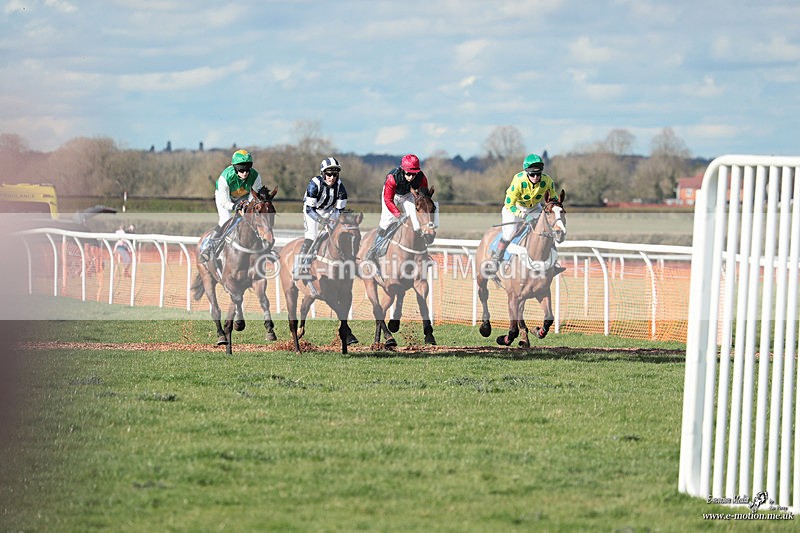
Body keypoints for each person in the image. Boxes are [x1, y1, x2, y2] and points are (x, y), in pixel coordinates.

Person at [487, 153, 566, 276]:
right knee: (509, 232)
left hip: (534, 208)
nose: (535, 177)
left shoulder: (547, 180)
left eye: (538, 174)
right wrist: (523, 215)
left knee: (548, 228)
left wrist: (555, 207)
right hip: (514, 208)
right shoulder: (518, 180)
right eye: (532, 174)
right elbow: (509, 204)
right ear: (527, 173)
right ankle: (496, 260)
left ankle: (554, 263)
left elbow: (553, 199)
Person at [364, 153, 439, 263]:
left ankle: (423, 253)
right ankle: (373, 250)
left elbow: (424, 199)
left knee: (416, 223)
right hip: (391, 197)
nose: (411, 177)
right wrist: (398, 215)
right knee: (386, 222)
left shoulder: (422, 178)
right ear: (403, 170)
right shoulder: (392, 178)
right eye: (408, 174)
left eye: (414, 174)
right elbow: (388, 200)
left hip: (407, 195)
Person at [199, 149, 265, 262]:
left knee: (253, 218)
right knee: (226, 219)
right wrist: (235, 207)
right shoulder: (225, 178)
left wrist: (247, 206)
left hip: (244, 197)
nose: (245, 172)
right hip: (225, 198)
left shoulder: (255, 176)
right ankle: (209, 247)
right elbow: (224, 201)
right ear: (234, 168)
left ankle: (263, 247)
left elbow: (254, 196)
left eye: (248, 168)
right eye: (241, 169)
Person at [293, 157, 349, 279]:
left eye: (335, 174)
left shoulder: (341, 188)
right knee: (312, 236)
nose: (332, 177)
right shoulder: (314, 184)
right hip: (313, 211)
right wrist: (321, 220)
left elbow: (339, 209)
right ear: (323, 174)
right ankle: (300, 266)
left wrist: (333, 220)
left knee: (334, 235)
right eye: (329, 174)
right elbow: (309, 209)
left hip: (329, 211)